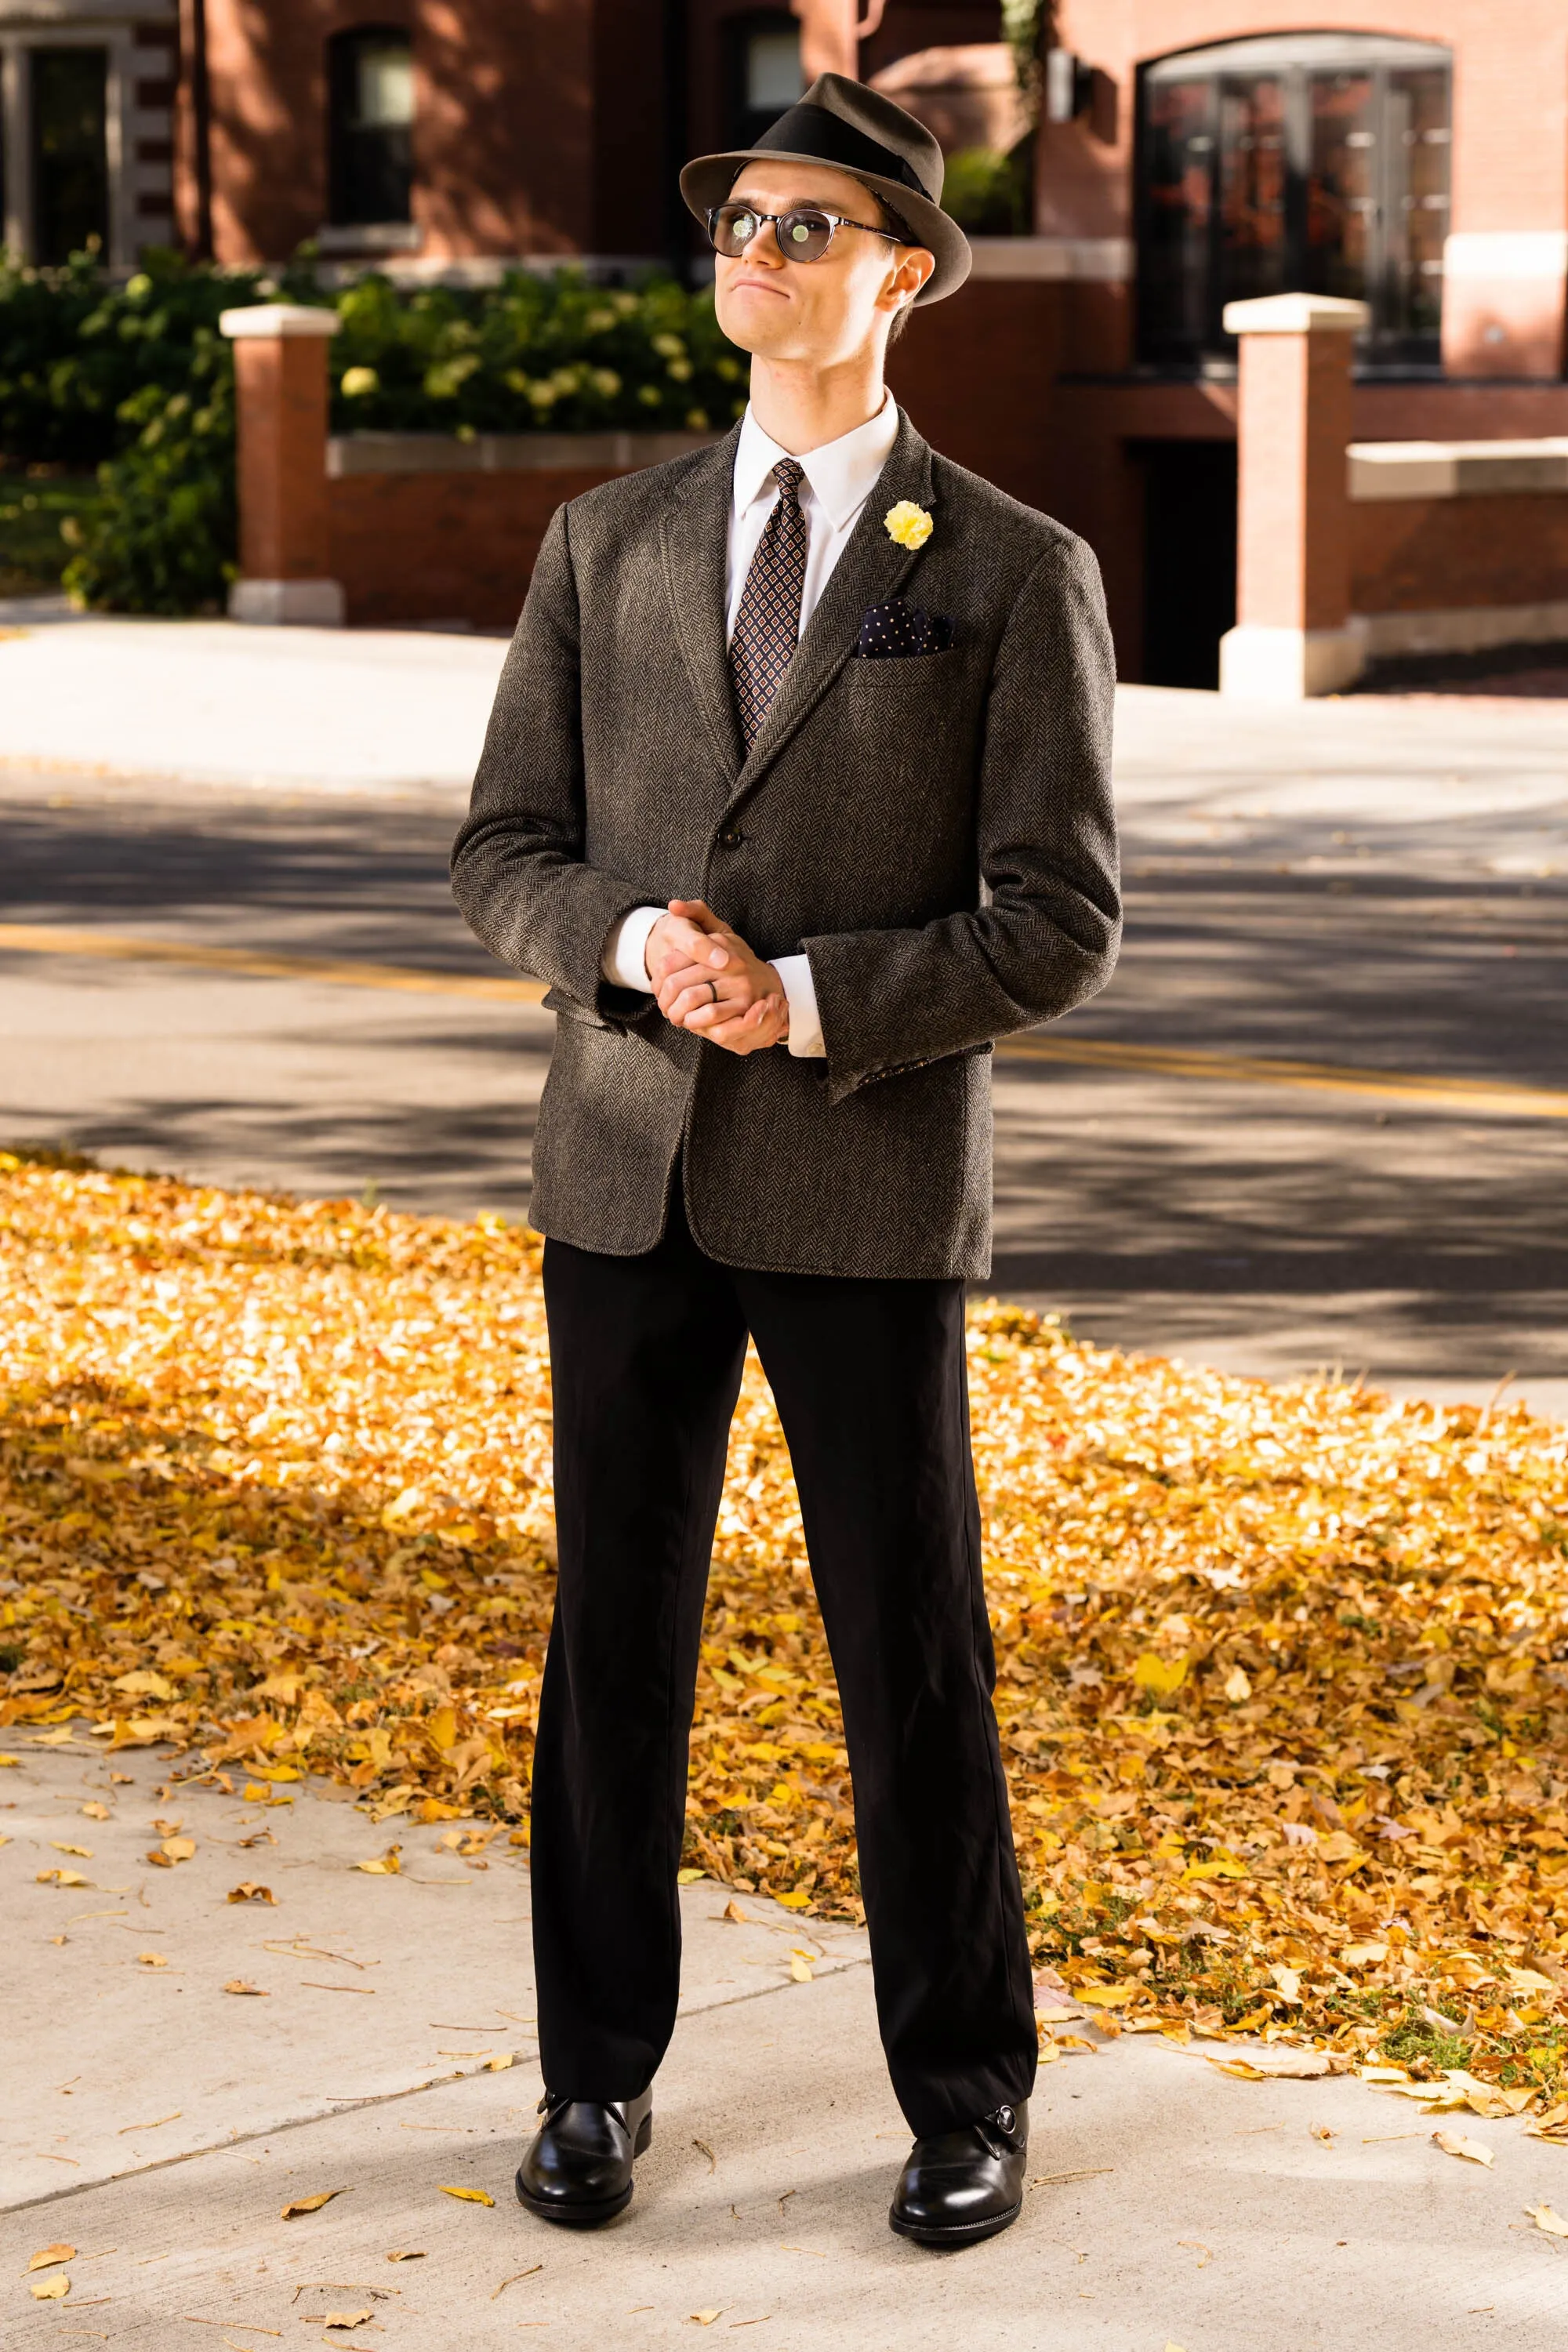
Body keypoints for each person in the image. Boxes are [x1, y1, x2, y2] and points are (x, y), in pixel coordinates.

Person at [451, 71, 1120, 2250]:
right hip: (623, 1176)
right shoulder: (607, 543)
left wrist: (811, 995)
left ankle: (965, 2090)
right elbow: (502, 854)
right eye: (741, 215)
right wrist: (637, 944)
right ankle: (589, 2083)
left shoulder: (1014, 572)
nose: (756, 249)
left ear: (904, 268)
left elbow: (1057, 917)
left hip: (862, 1181)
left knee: (905, 1642)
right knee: (610, 1641)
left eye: (807, 224)